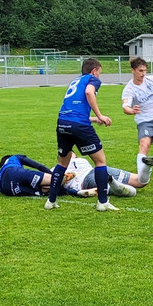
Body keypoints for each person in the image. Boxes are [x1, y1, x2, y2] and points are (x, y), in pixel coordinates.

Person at [43, 58, 118, 212]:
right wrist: (100, 115)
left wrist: (93, 119)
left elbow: (73, 111)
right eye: (99, 73)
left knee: (62, 163)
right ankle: (102, 202)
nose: (99, 76)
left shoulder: (75, 81)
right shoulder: (92, 80)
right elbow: (89, 92)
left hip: (62, 122)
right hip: (79, 126)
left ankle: (51, 201)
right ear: (94, 70)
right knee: (100, 161)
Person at [0, 154, 70, 197]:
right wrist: (53, 175)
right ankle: (68, 179)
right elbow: (38, 166)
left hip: (7, 189)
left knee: (42, 189)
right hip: (13, 172)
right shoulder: (14, 158)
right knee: (56, 180)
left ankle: (76, 192)